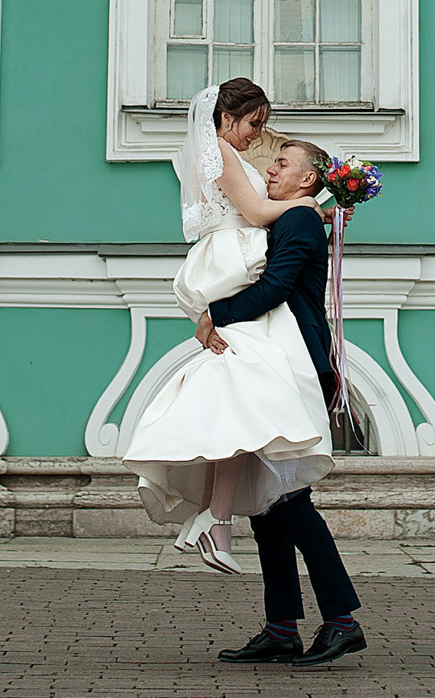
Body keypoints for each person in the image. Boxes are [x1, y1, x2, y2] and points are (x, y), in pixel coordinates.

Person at [120, 80, 334, 574]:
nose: (258, 135)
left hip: (235, 265)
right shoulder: (217, 151)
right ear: (226, 117)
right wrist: (309, 207)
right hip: (233, 264)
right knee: (242, 401)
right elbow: (256, 212)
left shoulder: (222, 152)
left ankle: (210, 518)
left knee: (233, 404)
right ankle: (214, 520)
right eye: (254, 123)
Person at [204, 137, 368, 669]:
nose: (270, 170)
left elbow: (275, 287)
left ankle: (341, 621)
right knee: (268, 504)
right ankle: (281, 629)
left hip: (294, 368)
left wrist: (213, 314)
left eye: (281, 163)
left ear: (307, 180)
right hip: (279, 364)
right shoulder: (298, 216)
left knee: (289, 500)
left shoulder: (297, 219)